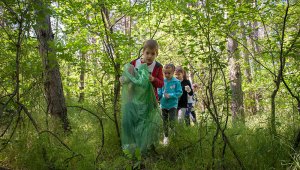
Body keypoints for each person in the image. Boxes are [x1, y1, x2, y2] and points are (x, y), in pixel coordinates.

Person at [120, 39, 163, 156]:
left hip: (149, 101)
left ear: (156, 54)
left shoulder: (158, 67)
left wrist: (153, 79)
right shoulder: (134, 63)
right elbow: (128, 77)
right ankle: (132, 147)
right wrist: (123, 79)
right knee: (132, 122)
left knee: (145, 124)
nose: (149, 56)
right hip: (134, 99)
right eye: (147, 53)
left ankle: (145, 148)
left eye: (153, 53)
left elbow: (161, 83)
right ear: (143, 52)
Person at [158, 64, 182, 145]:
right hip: (163, 105)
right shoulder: (162, 81)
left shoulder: (176, 82)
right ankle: (166, 137)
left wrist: (171, 95)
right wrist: (158, 97)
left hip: (172, 105)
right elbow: (160, 92)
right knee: (164, 121)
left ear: (173, 72)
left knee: (172, 121)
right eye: (165, 73)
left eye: (169, 73)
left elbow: (179, 92)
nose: (167, 75)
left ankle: (173, 135)